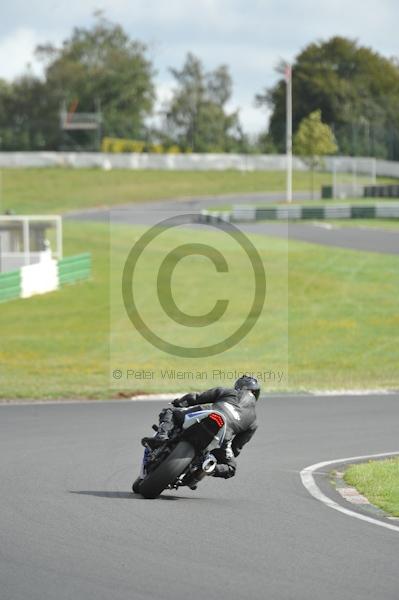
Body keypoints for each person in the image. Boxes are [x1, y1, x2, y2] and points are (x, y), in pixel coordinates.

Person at [141, 375, 260, 480]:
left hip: (206, 415)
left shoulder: (229, 392)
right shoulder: (254, 421)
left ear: (239, 387)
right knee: (231, 468)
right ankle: (207, 468)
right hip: (223, 436)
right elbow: (236, 447)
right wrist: (221, 457)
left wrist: (178, 403)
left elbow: (195, 398)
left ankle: (161, 436)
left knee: (170, 411)